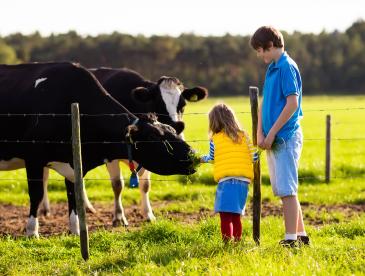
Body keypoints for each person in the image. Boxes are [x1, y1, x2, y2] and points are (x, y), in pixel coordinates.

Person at [250, 26, 309, 247]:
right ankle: (301, 236)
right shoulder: (273, 67)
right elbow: (266, 102)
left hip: (285, 137)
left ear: (271, 45)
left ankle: (290, 240)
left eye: (261, 50)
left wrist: (272, 133)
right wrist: (260, 132)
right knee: (285, 188)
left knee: (287, 190)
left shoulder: (286, 67)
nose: (260, 55)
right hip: (272, 138)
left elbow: (292, 104)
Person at [200, 103, 256, 242]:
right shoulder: (244, 136)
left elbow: (212, 158)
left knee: (225, 216)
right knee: (236, 215)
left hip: (226, 182)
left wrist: (201, 158)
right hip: (243, 182)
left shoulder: (215, 139)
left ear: (214, 122)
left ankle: (226, 243)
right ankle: (237, 241)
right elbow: (254, 157)